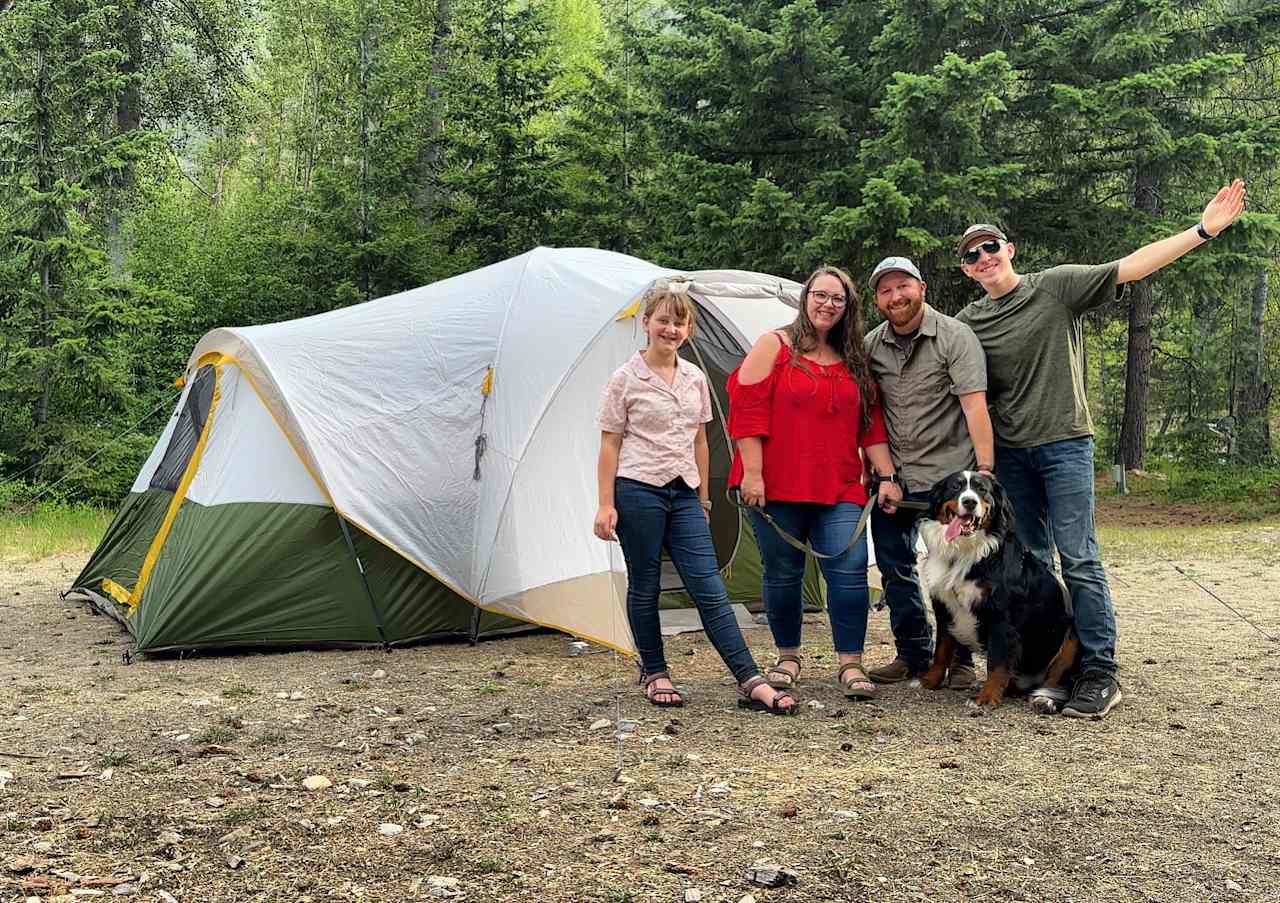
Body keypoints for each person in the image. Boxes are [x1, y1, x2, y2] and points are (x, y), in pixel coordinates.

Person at [955, 179, 1247, 719]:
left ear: (1008, 250)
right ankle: (1044, 667)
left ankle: (1098, 672)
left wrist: (1203, 230)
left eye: (990, 246)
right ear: (968, 270)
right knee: (1032, 565)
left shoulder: (1056, 287)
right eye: (971, 256)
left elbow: (1131, 266)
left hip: (1065, 445)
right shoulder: (968, 324)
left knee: (1081, 559)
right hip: (1011, 458)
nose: (983, 258)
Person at [594, 281, 797, 715]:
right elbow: (610, 444)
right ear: (646, 324)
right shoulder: (624, 379)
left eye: (679, 322)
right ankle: (655, 671)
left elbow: (701, 441)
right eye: (663, 320)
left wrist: (703, 497)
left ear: (689, 329)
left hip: (684, 492)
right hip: (637, 490)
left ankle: (750, 678)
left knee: (709, 587)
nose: (671, 328)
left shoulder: (695, 377)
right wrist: (606, 504)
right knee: (645, 583)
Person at [728, 266, 896, 700]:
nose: (827, 305)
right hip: (776, 484)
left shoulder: (855, 359)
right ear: (805, 299)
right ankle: (787, 657)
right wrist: (753, 473)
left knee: (850, 570)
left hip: (840, 486)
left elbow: (871, 425)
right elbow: (745, 410)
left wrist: (888, 476)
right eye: (820, 295)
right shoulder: (775, 345)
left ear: (848, 308)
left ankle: (850, 663)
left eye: (837, 299)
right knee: (782, 573)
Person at [861, 256, 995, 689]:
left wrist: (984, 470)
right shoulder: (870, 346)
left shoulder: (955, 337)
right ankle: (914, 653)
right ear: (878, 299)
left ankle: (960, 661)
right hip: (894, 482)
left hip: (948, 483)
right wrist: (878, 474)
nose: (895, 296)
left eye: (903, 286)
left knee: (958, 574)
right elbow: (868, 416)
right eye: (885, 290)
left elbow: (974, 405)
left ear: (922, 288)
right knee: (894, 567)